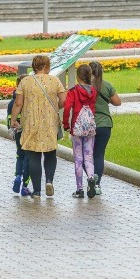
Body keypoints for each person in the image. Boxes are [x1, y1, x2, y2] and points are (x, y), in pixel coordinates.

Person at [10, 55, 66, 198]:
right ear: (47, 66)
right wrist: (55, 108)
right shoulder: (55, 80)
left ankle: (36, 191)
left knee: (34, 155)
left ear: (34, 66)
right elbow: (63, 100)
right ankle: (49, 181)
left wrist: (13, 119)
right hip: (50, 122)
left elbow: (18, 103)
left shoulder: (25, 82)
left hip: (30, 121)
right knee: (50, 153)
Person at [62, 64, 99, 198]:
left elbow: (67, 108)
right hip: (89, 128)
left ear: (78, 77)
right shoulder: (93, 91)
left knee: (78, 159)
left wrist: (65, 124)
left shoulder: (73, 91)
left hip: (76, 128)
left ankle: (79, 189)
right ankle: (90, 177)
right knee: (89, 157)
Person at [89, 60, 121, 196]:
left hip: (87, 125)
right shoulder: (106, 85)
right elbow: (117, 102)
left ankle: (90, 178)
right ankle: (97, 183)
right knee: (99, 154)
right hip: (104, 124)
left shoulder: (83, 87)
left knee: (87, 155)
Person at [7, 74, 31, 196]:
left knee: (19, 155)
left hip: (17, 133)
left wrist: (11, 129)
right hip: (29, 132)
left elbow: (9, 119)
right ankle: (25, 186)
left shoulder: (12, 102)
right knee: (29, 158)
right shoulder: (29, 101)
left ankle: (18, 176)